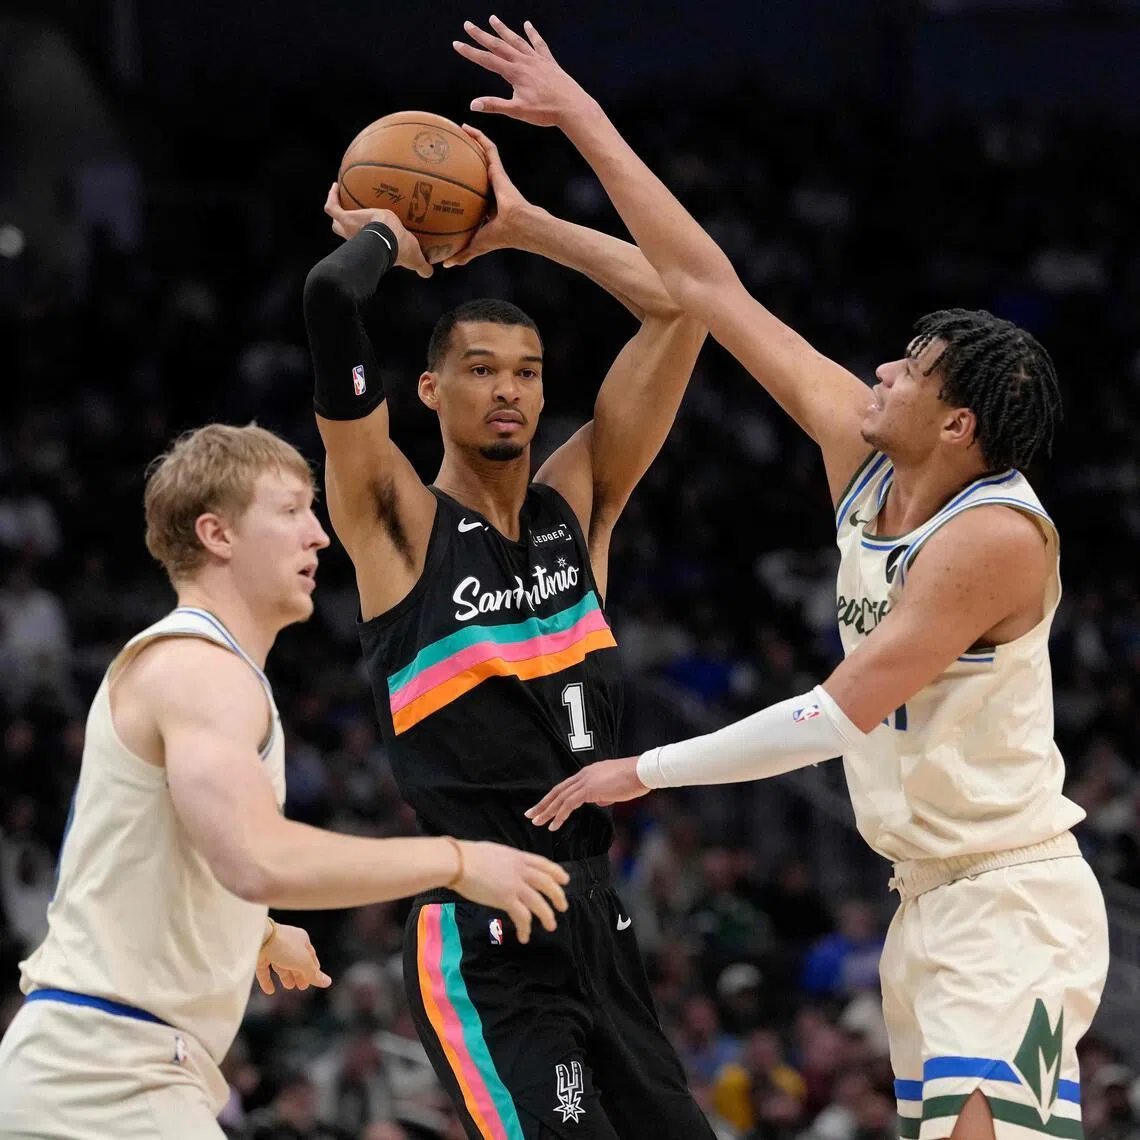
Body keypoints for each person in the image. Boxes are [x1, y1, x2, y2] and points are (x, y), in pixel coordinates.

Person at [456, 18, 1110, 1140]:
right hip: (927, 899)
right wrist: (573, 136)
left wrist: (644, 771)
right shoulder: (863, 459)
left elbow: (835, 715)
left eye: (913, 370)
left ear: (956, 425)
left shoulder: (996, 539)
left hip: (1012, 897)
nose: (883, 368)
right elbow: (708, 285)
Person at [304, 125, 715, 1140]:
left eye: (528, 372)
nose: (510, 390)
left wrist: (523, 226)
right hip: (486, 932)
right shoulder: (396, 524)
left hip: (597, 914)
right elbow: (327, 299)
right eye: (483, 370)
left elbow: (678, 304)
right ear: (432, 392)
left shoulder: (578, 504)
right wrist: (387, 245)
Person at [0, 423, 569, 1140]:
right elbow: (256, 860)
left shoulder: (202, 670)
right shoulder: (201, 670)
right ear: (217, 534)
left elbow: (164, 851)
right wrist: (460, 860)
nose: (320, 535)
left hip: (95, 1070)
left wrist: (256, 933)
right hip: (108, 1079)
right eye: (291, 510)